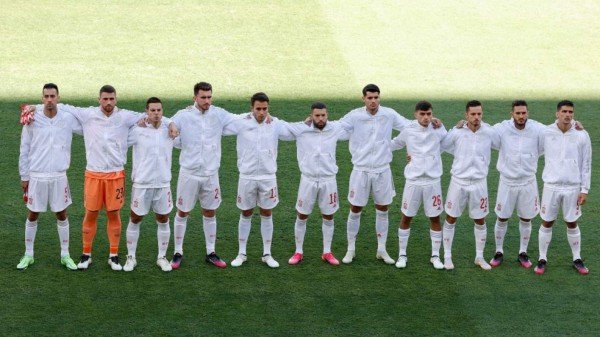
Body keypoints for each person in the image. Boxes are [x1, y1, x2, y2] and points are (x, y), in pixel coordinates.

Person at [22, 85, 177, 271]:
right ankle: (86, 254)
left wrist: (172, 123)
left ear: (116, 99)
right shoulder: (87, 114)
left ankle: (113, 256)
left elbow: (153, 116)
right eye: (105, 99)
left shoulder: (126, 116)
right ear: (99, 99)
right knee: (91, 213)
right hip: (93, 174)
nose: (108, 103)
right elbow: (58, 105)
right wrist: (34, 107)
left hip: (116, 174)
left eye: (111, 99)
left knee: (114, 214)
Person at [169, 81, 245, 269]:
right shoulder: (183, 116)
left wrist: (261, 115)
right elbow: (168, 126)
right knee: (182, 211)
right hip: (189, 174)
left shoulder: (219, 114)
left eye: (209, 97)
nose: (207, 101)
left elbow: (239, 119)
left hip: (211, 174)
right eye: (203, 97)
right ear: (194, 97)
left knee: (210, 211)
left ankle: (211, 252)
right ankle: (177, 252)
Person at [337, 84, 411, 265]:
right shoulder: (354, 116)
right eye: (369, 98)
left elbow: (410, 127)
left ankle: (381, 249)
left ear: (379, 98)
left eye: (376, 97)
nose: (373, 101)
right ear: (363, 98)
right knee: (355, 209)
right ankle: (351, 250)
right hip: (360, 170)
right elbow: (335, 127)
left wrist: (431, 122)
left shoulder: (388, 114)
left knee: (383, 209)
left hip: (382, 170)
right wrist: (314, 123)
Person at [224, 92, 294, 268]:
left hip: (268, 177)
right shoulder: (241, 122)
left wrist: (312, 123)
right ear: (251, 108)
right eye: (258, 109)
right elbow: (218, 121)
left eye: (265, 109)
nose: (262, 113)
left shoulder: (275, 124)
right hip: (247, 176)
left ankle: (267, 253)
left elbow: (294, 131)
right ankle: (241, 253)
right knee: (246, 212)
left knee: (267, 212)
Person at [17, 83, 81, 271]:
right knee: (32, 214)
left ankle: (65, 254)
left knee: (61, 213)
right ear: (42, 98)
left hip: (59, 175)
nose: (49, 100)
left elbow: (88, 127)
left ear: (58, 98)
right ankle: (28, 254)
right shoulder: (32, 119)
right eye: (46, 97)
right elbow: (24, 148)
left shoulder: (67, 119)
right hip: (37, 175)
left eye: (53, 96)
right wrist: (24, 175)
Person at [284, 102, 349, 266]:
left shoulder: (335, 129)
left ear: (327, 115)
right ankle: (298, 251)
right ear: (311, 116)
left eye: (323, 115)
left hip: (329, 180)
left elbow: (355, 126)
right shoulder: (302, 130)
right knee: (302, 214)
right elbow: (281, 128)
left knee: (328, 215)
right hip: (308, 179)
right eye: (317, 115)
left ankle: (327, 252)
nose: (320, 119)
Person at [440, 100, 500, 270]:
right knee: (451, 218)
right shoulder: (457, 132)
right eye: (473, 114)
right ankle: (447, 257)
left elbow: (503, 145)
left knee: (480, 220)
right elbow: (442, 145)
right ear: (466, 115)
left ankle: (479, 257)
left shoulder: (489, 132)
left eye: (479, 114)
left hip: (479, 183)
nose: (476, 117)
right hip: (458, 182)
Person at [535, 100, 591, 275]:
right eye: (564, 111)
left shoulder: (582, 135)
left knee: (572, 222)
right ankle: (542, 258)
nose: (568, 115)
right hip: (551, 185)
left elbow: (586, 163)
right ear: (557, 113)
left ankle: (577, 258)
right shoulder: (546, 132)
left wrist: (585, 189)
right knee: (547, 221)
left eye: (571, 112)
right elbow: (530, 143)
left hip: (572, 186)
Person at [488, 100, 546, 269]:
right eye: (518, 113)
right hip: (507, 181)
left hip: (528, 181)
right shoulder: (502, 128)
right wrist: (463, 125)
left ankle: (523, 252)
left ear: (528, 113)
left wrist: (574, 124)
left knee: (526, 217)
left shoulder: (537, 129)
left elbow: (554, 131)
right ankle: (498, 251)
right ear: (512, 114)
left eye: (524, 113)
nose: (521, 116)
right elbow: (484, 131)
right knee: (502, 217)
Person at [390, 101, 447, 270]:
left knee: (435, 218)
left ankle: (435, 256)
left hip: (432, 182)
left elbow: (450, 142)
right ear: (416, 115)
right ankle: (402, 254)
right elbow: (394, 144)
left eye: (429, 114)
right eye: (422, 114)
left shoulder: (438, 129)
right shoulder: (408, 130)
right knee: (406, 217)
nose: (426, 117)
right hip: (413, 182)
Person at [123, 97, 174, 272]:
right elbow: (120, 141)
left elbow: (179, 124)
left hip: (163, 183)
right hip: (142, 183)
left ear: (163, 111)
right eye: (152, 110)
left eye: (159, 110)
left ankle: (162, 257)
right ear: (146, 111)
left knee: (163, 218)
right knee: (135, 218)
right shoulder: (137, 130)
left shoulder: (169, 129)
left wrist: (171, 122)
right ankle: (131, 257)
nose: (156, 113)